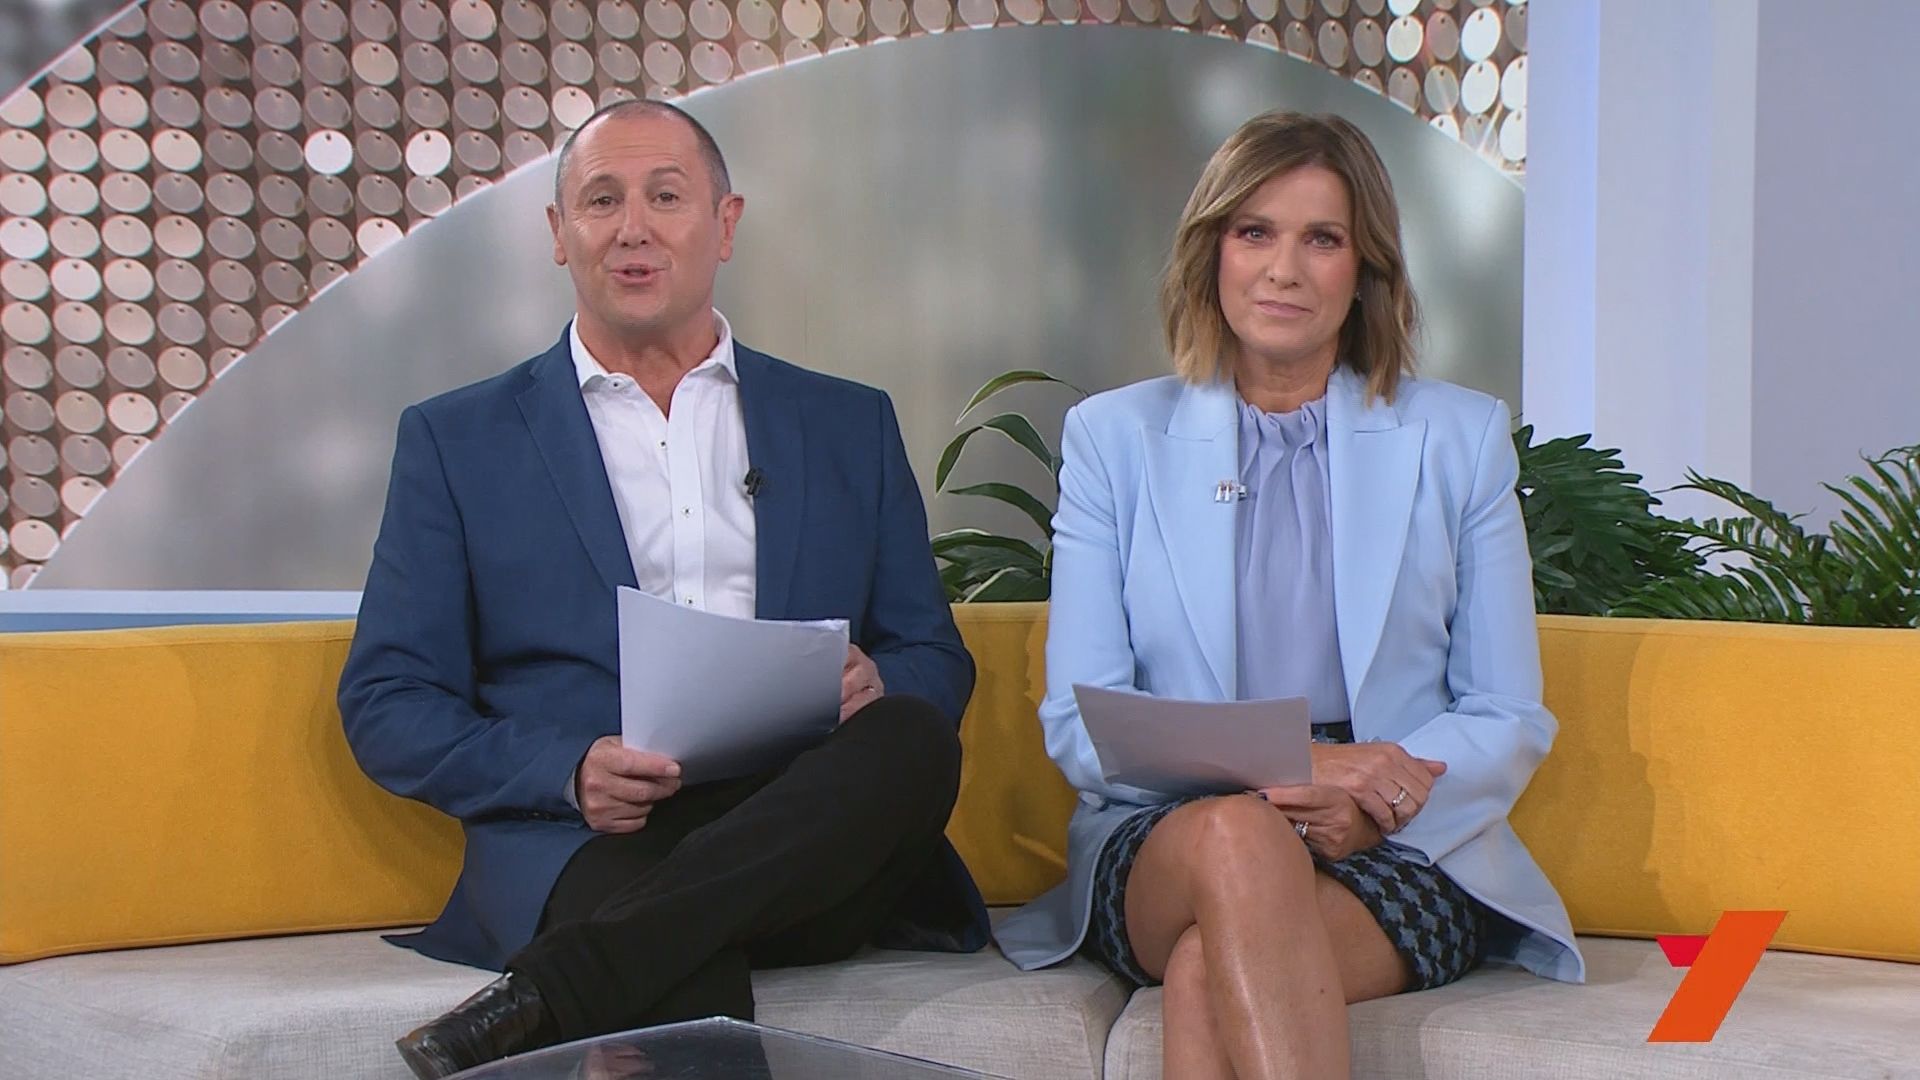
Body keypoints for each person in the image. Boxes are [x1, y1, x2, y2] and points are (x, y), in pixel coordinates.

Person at [338, 99, 988, 1080]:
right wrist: (566, 770)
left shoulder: (846, 424)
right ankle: (604, 961)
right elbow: (388, 701)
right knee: (675, 961)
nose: (633, 227)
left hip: (809, 835)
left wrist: (878, 681)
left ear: (724, 224)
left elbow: (934, 655)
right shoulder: (459, 440)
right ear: (560, 234)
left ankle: (550, 989)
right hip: (595, 843)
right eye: (602, 200)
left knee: (912, 735)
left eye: (666, 197)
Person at [994, 111, 1585, 1079]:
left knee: (1208, 974)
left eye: (1322, 239)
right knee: (1239, 838)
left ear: (1365, 268)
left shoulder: (1459, 439)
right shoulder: (1114, 441)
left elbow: (1505, 710)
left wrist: (1369, 801)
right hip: (1173, 828)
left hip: (1397, 836)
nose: (1284, 270)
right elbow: (1082, 722)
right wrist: (1307, 767)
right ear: (1213, 252)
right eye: (1255, 232)